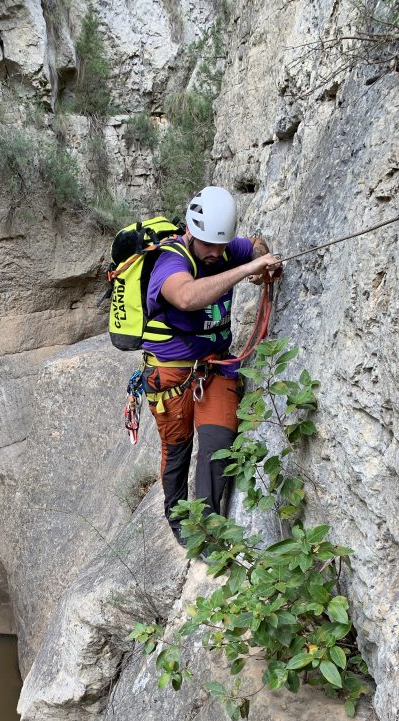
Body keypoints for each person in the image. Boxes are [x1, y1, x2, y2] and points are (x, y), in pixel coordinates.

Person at [142, 186, 281, 548]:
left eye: (221, 246)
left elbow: (255, 245)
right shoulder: (171, 261)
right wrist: (246, 269)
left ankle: (206, 528)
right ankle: (176, 518)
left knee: (218, 444)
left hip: (212, 367)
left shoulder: (221, 249)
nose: (215, 253)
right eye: (208, 245)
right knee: (178, 448)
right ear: (191, 231)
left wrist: (263, 261)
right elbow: (186, 297)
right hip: (170, 373)